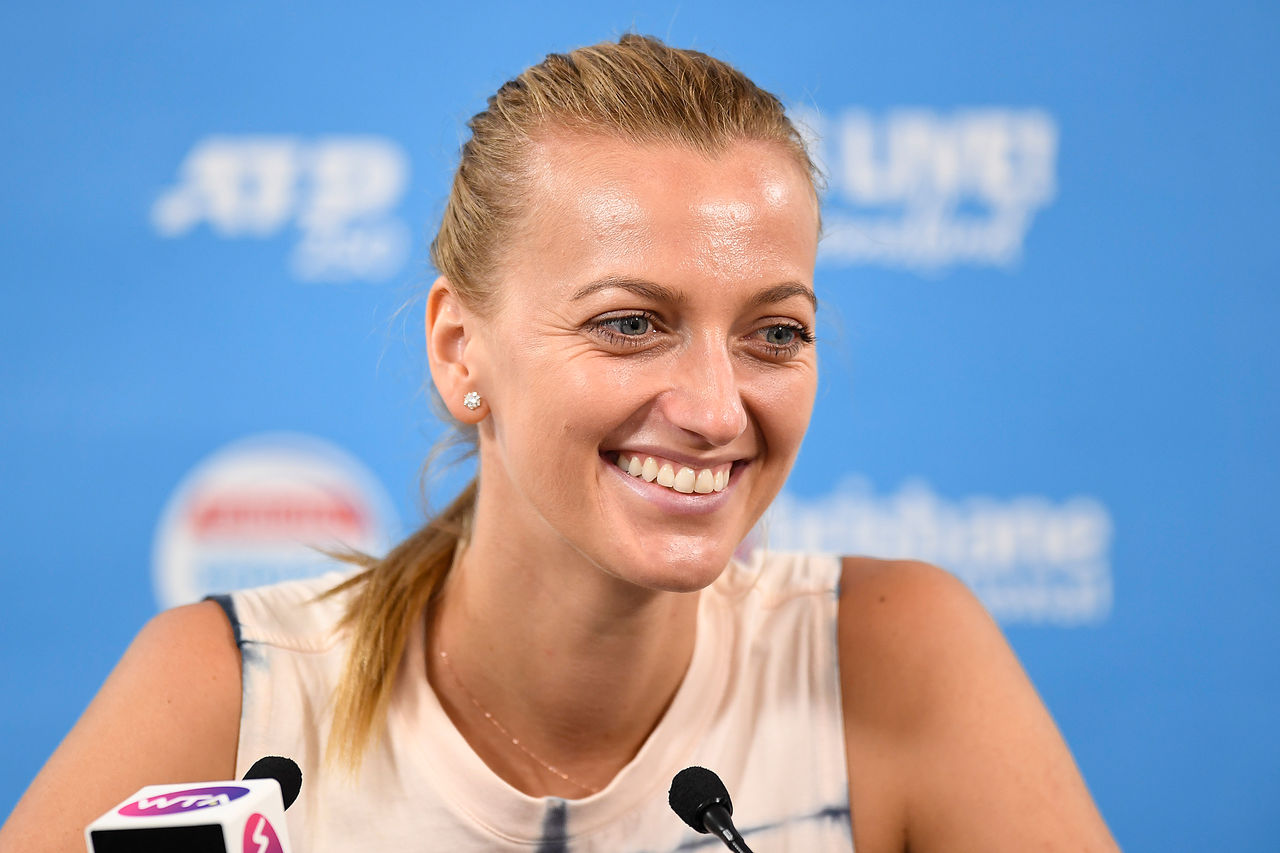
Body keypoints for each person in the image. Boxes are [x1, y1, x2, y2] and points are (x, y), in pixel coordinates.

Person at [1, 34, 1119, 852]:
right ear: (460, 352)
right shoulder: (232, 692)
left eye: (775, 332)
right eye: (630, 324)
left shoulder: (891, 656)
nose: (716, 408)